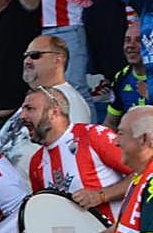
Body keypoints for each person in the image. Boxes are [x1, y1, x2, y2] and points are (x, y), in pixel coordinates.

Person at [20, 87, 130, 222]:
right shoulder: (36, 163)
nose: (22, 116)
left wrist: (101, 196)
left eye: (30, 109)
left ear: (54, 112)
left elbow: (146, 172)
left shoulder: (94, 135)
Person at [105, 20, 150, 129]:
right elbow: (110, 124)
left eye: (139, 40)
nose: (130, 45)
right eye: (127, 40)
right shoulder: (121, 77)